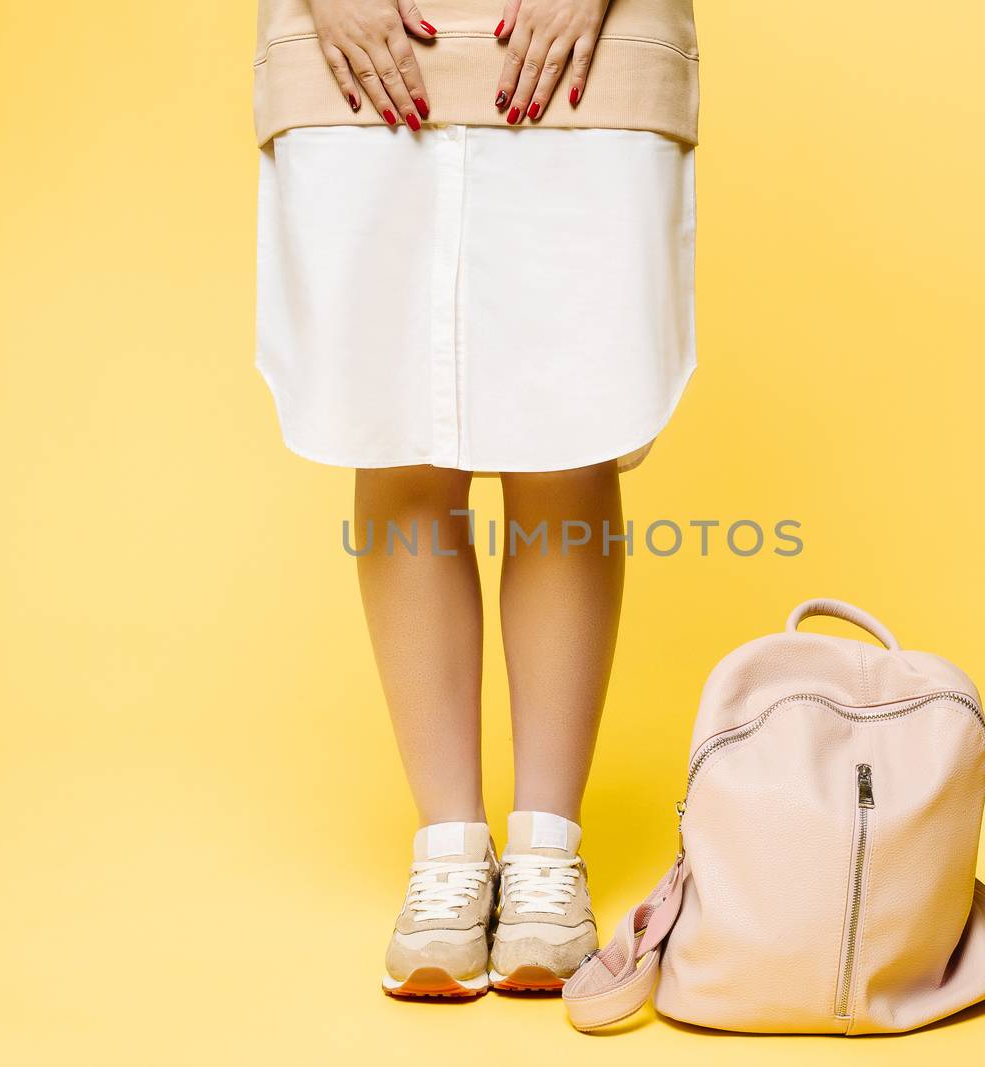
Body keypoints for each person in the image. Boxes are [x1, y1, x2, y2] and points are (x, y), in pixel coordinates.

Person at [253, 0, 699, 997]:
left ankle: (546, 852)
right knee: (398, 427)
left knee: (568, 433)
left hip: (590, 36)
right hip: (357, 40)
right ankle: (448, 851)